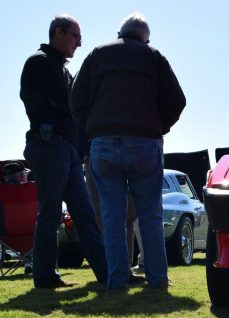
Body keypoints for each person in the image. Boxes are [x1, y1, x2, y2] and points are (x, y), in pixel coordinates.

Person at [71, 12, 186, 290]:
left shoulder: (97, 54)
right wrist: (158, 127)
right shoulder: (153, 56)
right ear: (145, 37)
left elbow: (75, 99)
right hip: (145, 143)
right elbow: (177, 101)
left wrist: (93, 128)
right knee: (150, 214)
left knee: (111, 216)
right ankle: (157, 279)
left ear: (120, 32)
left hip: (103, 143)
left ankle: (117, 280)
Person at [19, 14, 108, 289]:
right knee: (50, 213)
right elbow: (68, 103)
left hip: (64, 149)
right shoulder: (40, 62)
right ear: (58, 32)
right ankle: (44, 277)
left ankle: (107, 274)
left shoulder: (60, 67)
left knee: (84, 213)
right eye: (76, 37)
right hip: (49, 146)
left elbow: (72, 107)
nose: (79, 44)